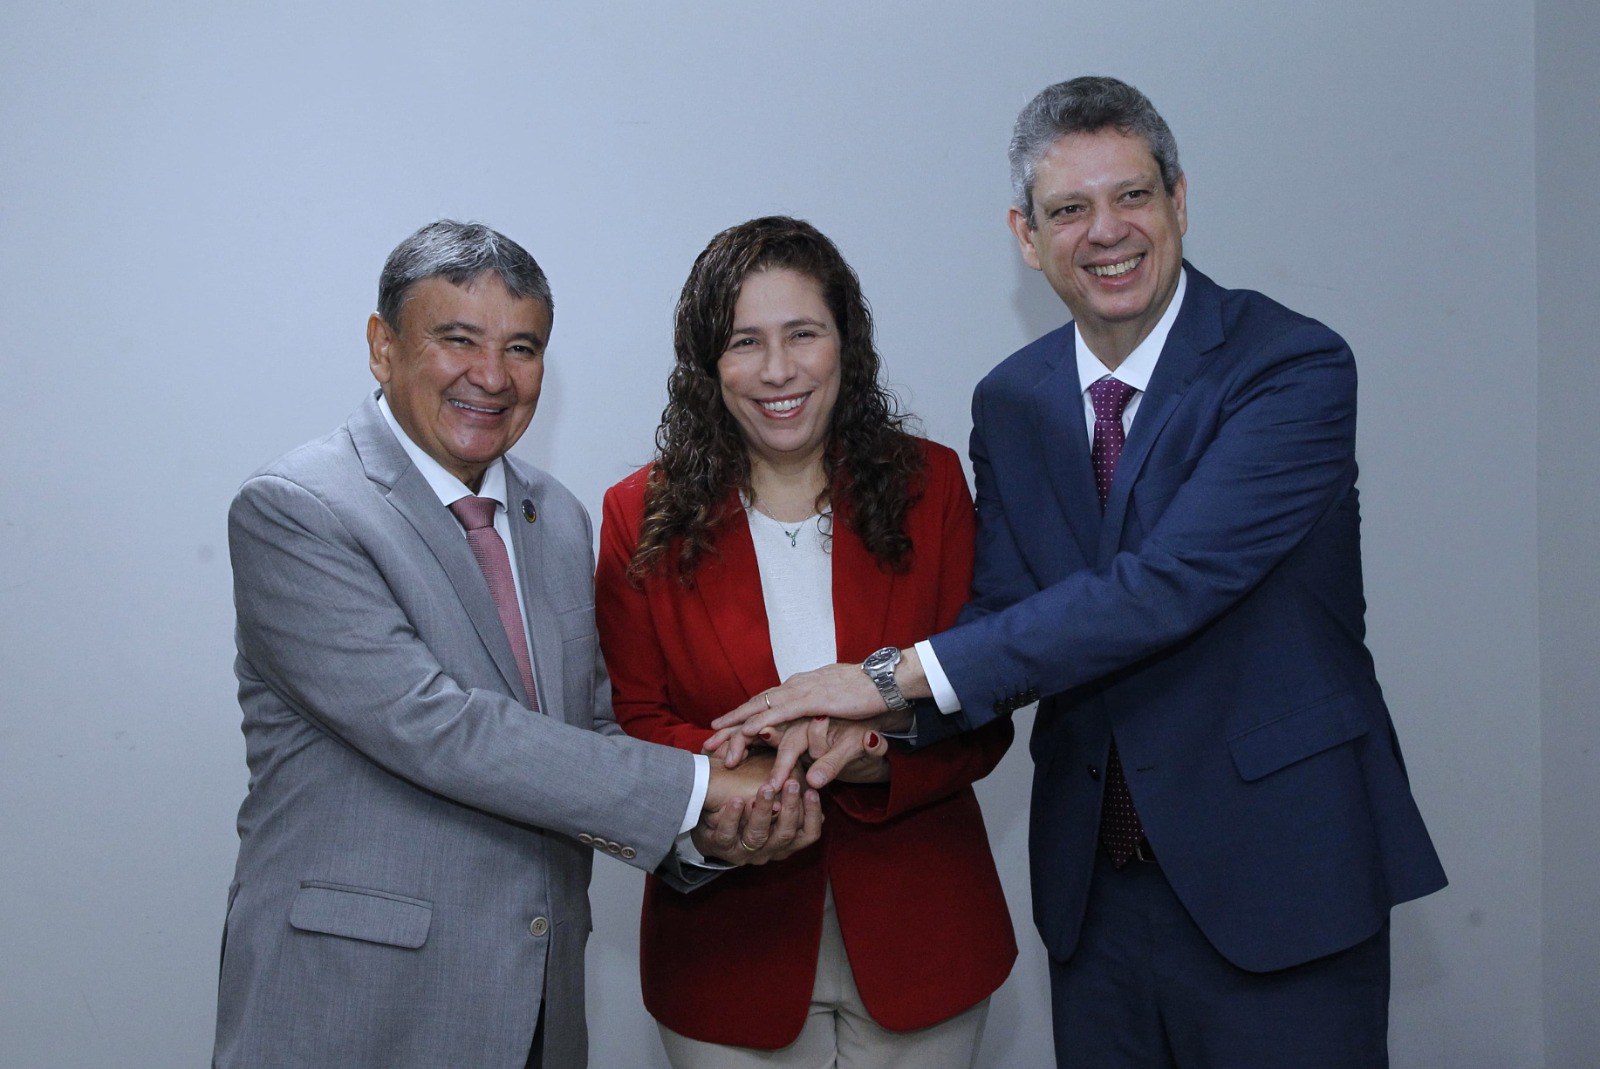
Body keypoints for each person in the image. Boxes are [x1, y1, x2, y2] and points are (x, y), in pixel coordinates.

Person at [712, 79, 1447, 1067]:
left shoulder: (1289, 367)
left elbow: (1165, 585)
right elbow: (1007, 616)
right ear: (1026, 235)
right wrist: (872, 728)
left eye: (1131, 195)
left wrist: (882, 675)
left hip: (1279, 877)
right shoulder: (1012, 400)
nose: (1105, 232)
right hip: (1096, 898)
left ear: (1178, 200)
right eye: (1068, 209)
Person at [213, 220, 820, 1069]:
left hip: (535, 1003)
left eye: (522, 348)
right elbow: (437, 726)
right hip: (355, 1005)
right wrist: (700, 786)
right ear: (383, 346)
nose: (493, 376)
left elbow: (587, 733)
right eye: (458, 339)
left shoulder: (558, 517)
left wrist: (706, 832)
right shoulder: (298, 508)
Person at [594, 216, 1016, 1067]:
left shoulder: (933, 485)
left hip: (924, 937)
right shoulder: (637, 514)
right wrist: (753, 775)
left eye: (803, 334)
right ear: (708, 363)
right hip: (725, 949)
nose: (778, 369)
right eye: (745, 341)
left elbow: (984, 700)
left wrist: (875, 754)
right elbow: (633, 721)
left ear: (845, 345)